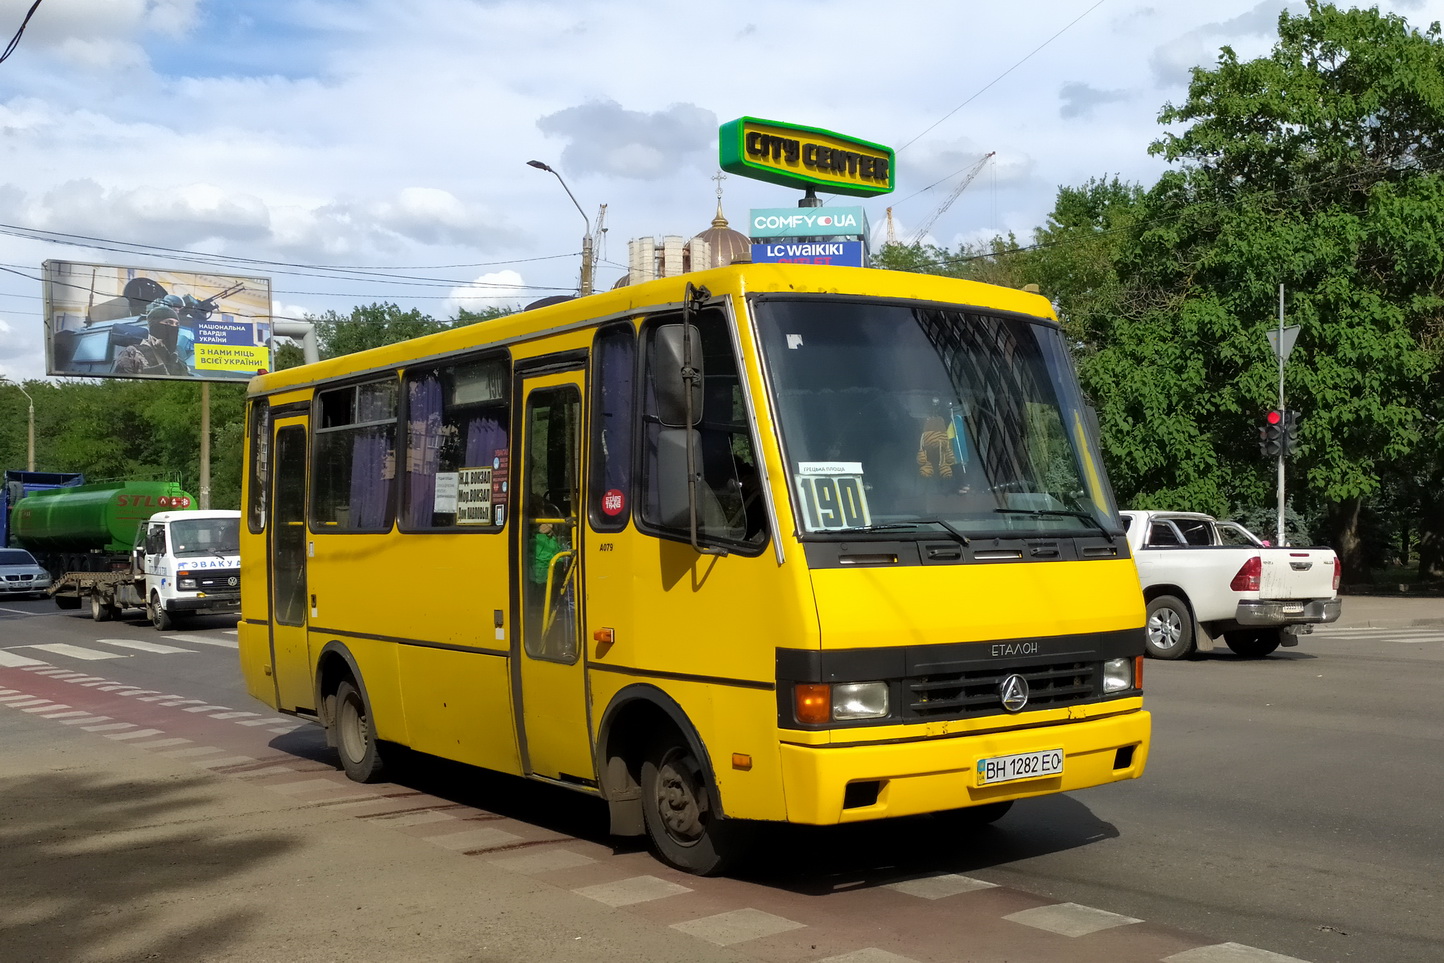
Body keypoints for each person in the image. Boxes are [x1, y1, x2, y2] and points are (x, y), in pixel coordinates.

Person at [112, 302, 189, 376]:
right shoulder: (133, 353)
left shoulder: (179, 361)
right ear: (155, 325)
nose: (173, 327)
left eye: (177, 324)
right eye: (169, 322)